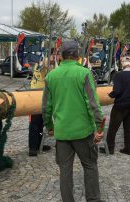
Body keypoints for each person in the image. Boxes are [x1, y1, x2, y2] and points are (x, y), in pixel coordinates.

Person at [42, 40, 104, 202]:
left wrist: (49, 126)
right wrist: (99, 127)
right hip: (83, 132)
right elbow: (93, 104)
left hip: (62, 132)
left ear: (61, 56)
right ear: (77, 55)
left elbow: (46, 107)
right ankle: (93, 200)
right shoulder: (84, 73)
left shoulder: (51, 76)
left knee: (65, 170)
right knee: (90, 166)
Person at [101, 56, 130, 155]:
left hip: (120, 106)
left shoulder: (118, 76)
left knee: (113, 128)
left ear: (122, 65)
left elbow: (117, 91)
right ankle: (129, 149)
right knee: (128, 128)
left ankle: (110, 149)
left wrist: (110, 95)